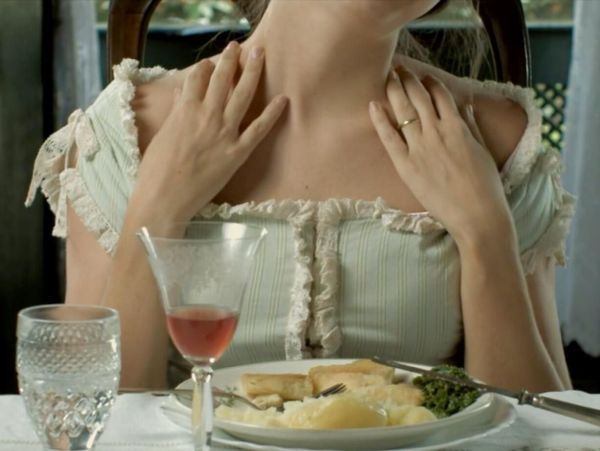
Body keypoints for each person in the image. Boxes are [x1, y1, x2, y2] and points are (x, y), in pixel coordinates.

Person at [27, 0, 574, 391]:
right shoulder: (125, 133)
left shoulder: (498, 140)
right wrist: (156, 207)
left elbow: (551, 424)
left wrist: (486, 233)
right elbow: (85, 419)